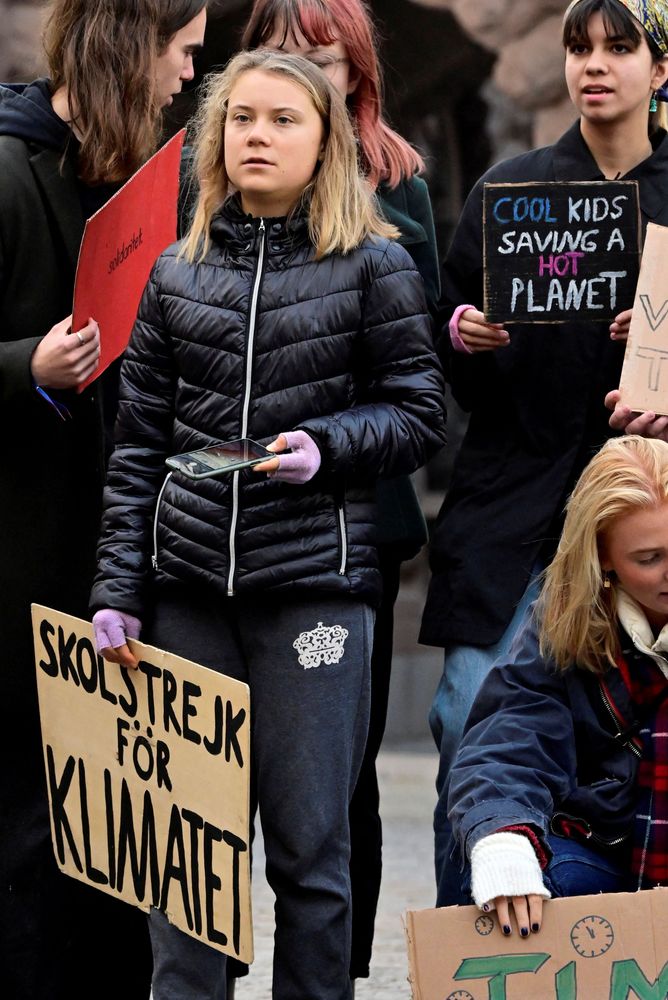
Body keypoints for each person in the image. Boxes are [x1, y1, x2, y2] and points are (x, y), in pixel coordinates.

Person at [90, 48, 445, 1000]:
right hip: (189, 596)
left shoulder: (377, 263)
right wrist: (118, 591)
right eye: (241, 117)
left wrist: (326, 446)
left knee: (310, 853)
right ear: (216, 135)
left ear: (326, 139)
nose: (258, 134)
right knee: (187, 867)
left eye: (283, 119)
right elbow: (137, 452)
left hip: (314, 596)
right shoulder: (176, 271)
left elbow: (420, 413)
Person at [419, 0, 668, 907]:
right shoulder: (510, 192)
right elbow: (436, 358)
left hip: (649, 509)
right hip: (515, 510)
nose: (593, 65)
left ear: (662, 70)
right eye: (576, 47)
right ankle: (464, 944)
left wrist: (654, 353)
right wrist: (464, 334)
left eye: (618, 47)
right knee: (467, 722)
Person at [0, 2, 207, 997]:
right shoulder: (4, 172)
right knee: (29, 845)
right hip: (24, 574)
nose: (187, 77)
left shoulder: (151, 179)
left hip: (120, 568)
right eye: (183, 52)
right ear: (136, 48)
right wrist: (24, 365)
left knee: (122, 845)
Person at [240, 0, 440, 982]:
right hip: (234, 517)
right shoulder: (223, 182)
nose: (304, 74)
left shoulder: (397, 189)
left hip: (354, 515)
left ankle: (333, 967)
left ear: (354, 67)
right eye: (284, 56)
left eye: (322, 56)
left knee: (337, 770)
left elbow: (423, 374)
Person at [448, 434, 668, 934]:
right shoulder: (565, 619)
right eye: (649, 558)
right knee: (508, 884)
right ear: (604, 558)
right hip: (611, 847)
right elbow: (512, 738)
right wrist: (504, 838)